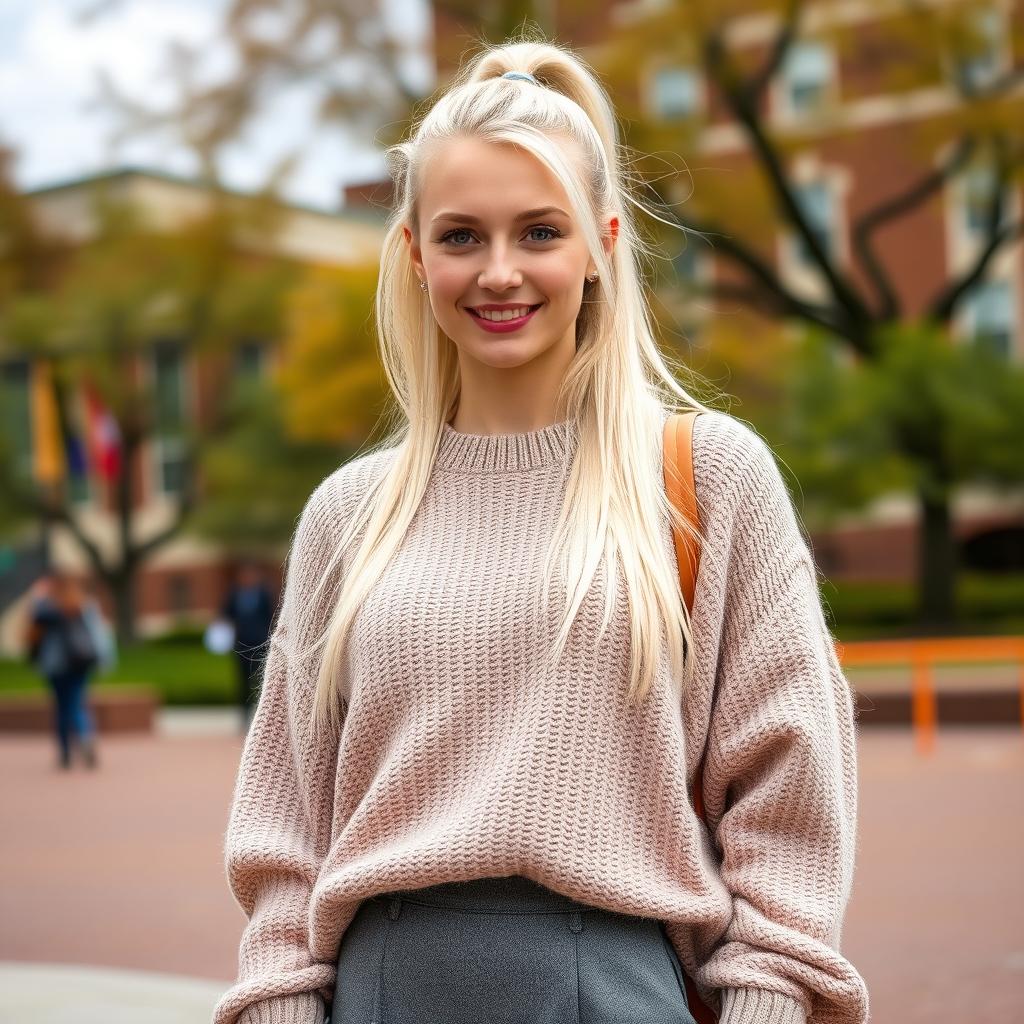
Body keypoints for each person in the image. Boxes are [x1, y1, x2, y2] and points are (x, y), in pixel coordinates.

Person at [212, 34, 869, 1024]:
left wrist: (767, 1006)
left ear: (603, 242)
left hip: (615, 983)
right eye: (462, 236)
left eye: (539, 232)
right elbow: (285, 831)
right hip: (382, 989)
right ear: (415, 254)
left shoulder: (706, 477)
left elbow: (788, 795)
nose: (500, 272)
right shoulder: (349, 514)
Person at [25, 570, 112, 771]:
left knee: (62, 707)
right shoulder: (83, 603)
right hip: (81, 661)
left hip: (56, 665)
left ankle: (65, 752)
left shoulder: (48, 606)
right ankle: (84, 736)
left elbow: (35, 619)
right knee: (78, 702)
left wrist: (37, 596)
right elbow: (98, 631)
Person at [219, 561, 277, 732]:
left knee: (261, 681)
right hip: (241, 645)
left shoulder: (264, 594)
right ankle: (244, 717)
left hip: (260, 644)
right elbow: (225, 615)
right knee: (243, 683)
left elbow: (271, 616)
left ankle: (262, 717)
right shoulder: (234, 595)